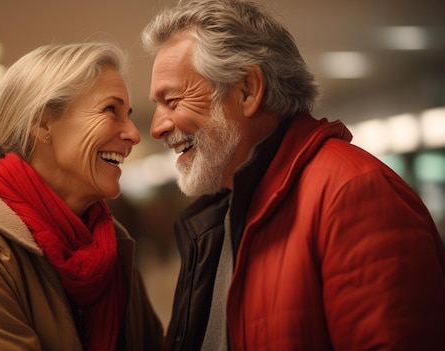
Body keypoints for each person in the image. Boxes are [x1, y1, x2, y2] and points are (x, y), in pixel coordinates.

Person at [141, 0, 445, 350]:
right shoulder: (221, 213)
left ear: (248, 91)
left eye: (173, 100)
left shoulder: (354, 193)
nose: (156, 128)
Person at [0, 42, 164, 351]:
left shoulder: (109, 246)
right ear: (43, 122)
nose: (133, 134)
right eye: (110, 110)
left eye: (127, 114)